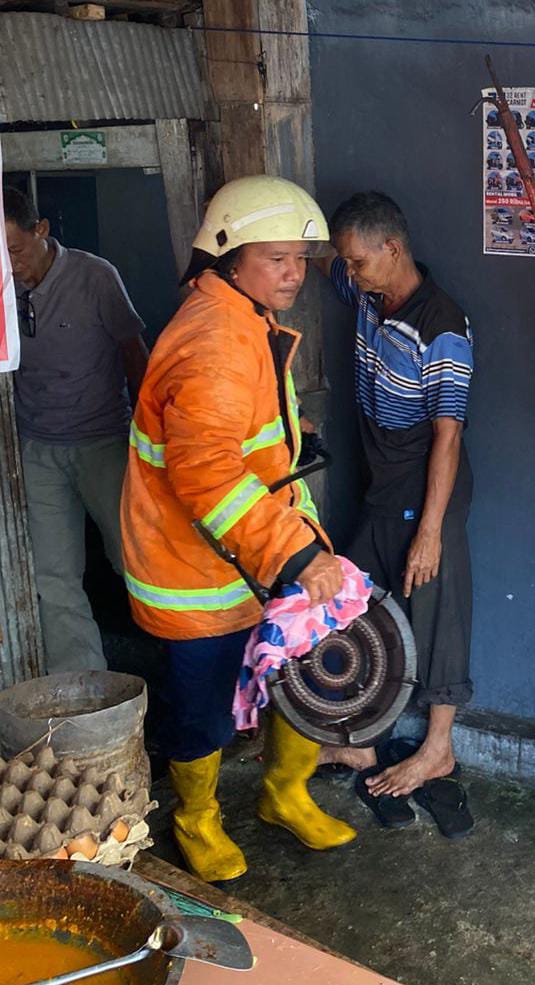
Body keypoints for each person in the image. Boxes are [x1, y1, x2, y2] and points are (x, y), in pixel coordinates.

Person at [121, 175, 355, 883]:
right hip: (196, 573)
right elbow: (207, 474)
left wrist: (291, 431)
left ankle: (285, 794)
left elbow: (237, 430)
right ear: (227, 258)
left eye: (299, 258)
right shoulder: (215, 340)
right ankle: (196, 819)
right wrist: (297, 553)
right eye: (276, 258)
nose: (295, 273)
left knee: (294, 671)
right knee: (202, 708)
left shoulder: (241, 316)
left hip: (248, 556)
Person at [313, 192, 475, 802]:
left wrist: (430, 532)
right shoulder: (367, 294)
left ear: (393, 249)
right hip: (381, 484)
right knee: (353, 605)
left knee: (435, 612)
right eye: (347, 263)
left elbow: (448, 436)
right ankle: (361, 739)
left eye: (358, 261)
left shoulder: (443, 327)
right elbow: (316, 261)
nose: (349, 272)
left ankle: (438, 749)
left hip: (427, 487)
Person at [3, 186, 149, 673]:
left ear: (41, 230)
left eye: (15, 249)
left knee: (134, 558)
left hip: (103, 440)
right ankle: (79, 686)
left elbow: (134, 354)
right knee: (52, 576)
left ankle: (173, 660)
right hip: (36, 448)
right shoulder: (2, 286)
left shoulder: (94, 276)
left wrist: (152, 433)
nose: (10, 264)